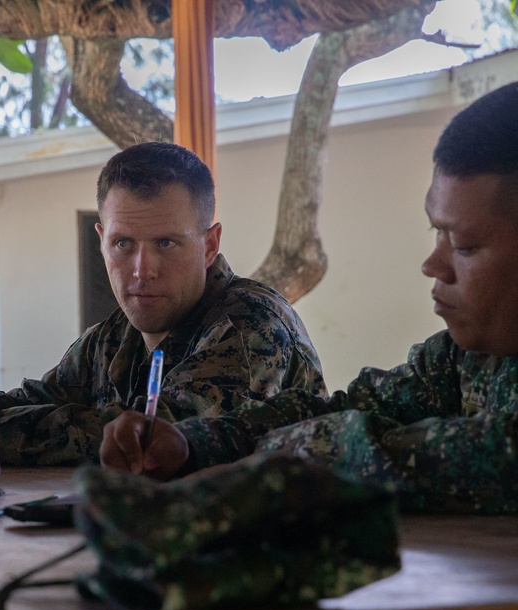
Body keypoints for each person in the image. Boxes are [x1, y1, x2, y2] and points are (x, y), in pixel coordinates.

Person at [101, 81, 518, 513]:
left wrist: (274, 451)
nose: (434, 264)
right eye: (438, 232)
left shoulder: (248, 320)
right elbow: (342, 410)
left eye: (465, 245)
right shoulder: (461, 361)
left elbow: (471, 456)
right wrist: (191, 442)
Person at [0, 142, 326, 471]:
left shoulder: (250, 327)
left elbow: (142, 439)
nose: (142, 270)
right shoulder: (115, 337)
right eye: (123, 244)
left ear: (209, 246)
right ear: (102, 243)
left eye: (167, 243)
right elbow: (41, 399)